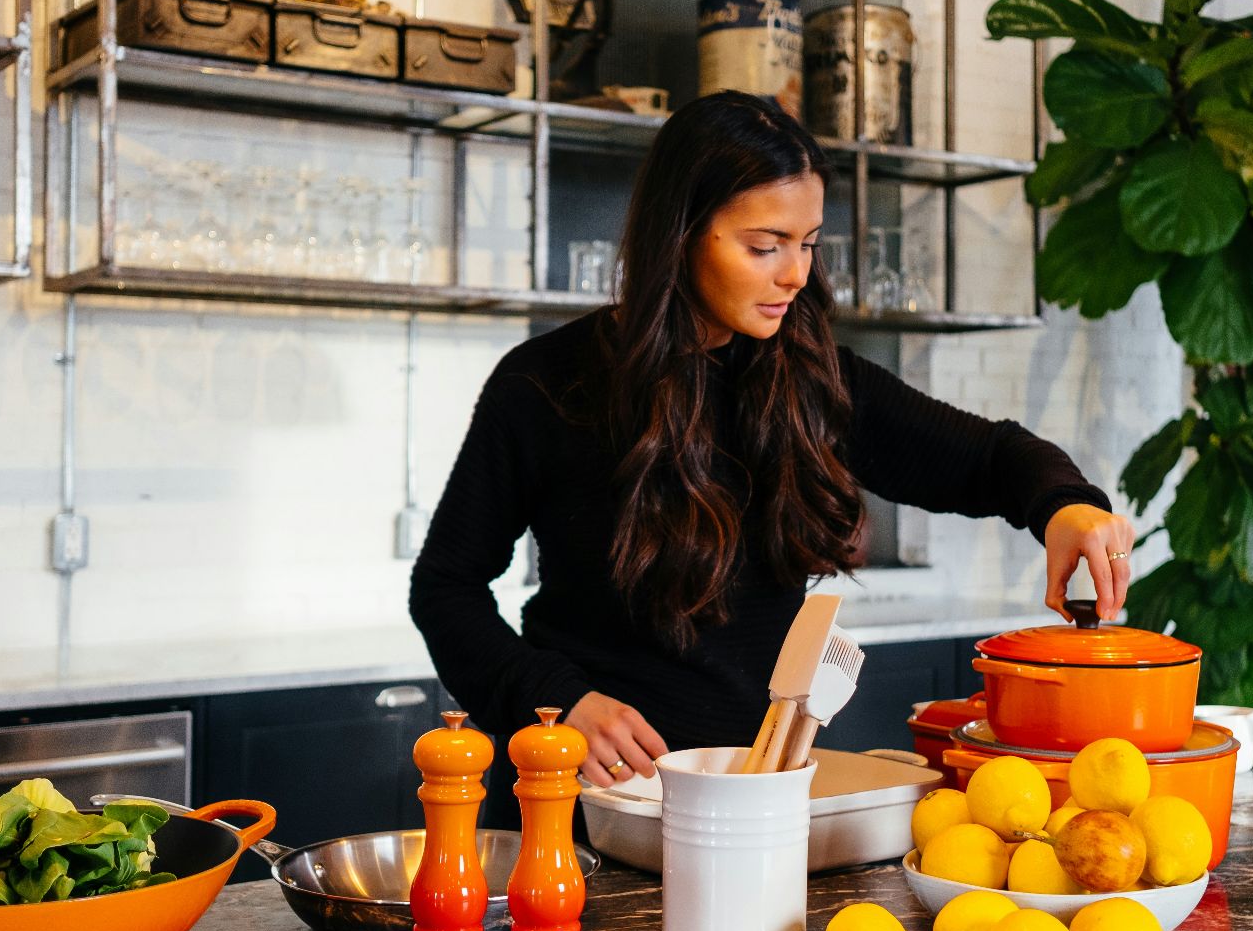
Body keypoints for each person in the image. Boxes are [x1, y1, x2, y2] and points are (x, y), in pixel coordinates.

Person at [409, 90, 1134, 804]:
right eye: (765, 246)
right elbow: (445, 590)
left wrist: (1065, 506)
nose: (795, 274)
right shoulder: (546, 385)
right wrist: (557, 701)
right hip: (581, 804)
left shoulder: (815, 380)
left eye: (808, 244)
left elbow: (991, 459)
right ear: (681, 232)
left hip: (752, 805)